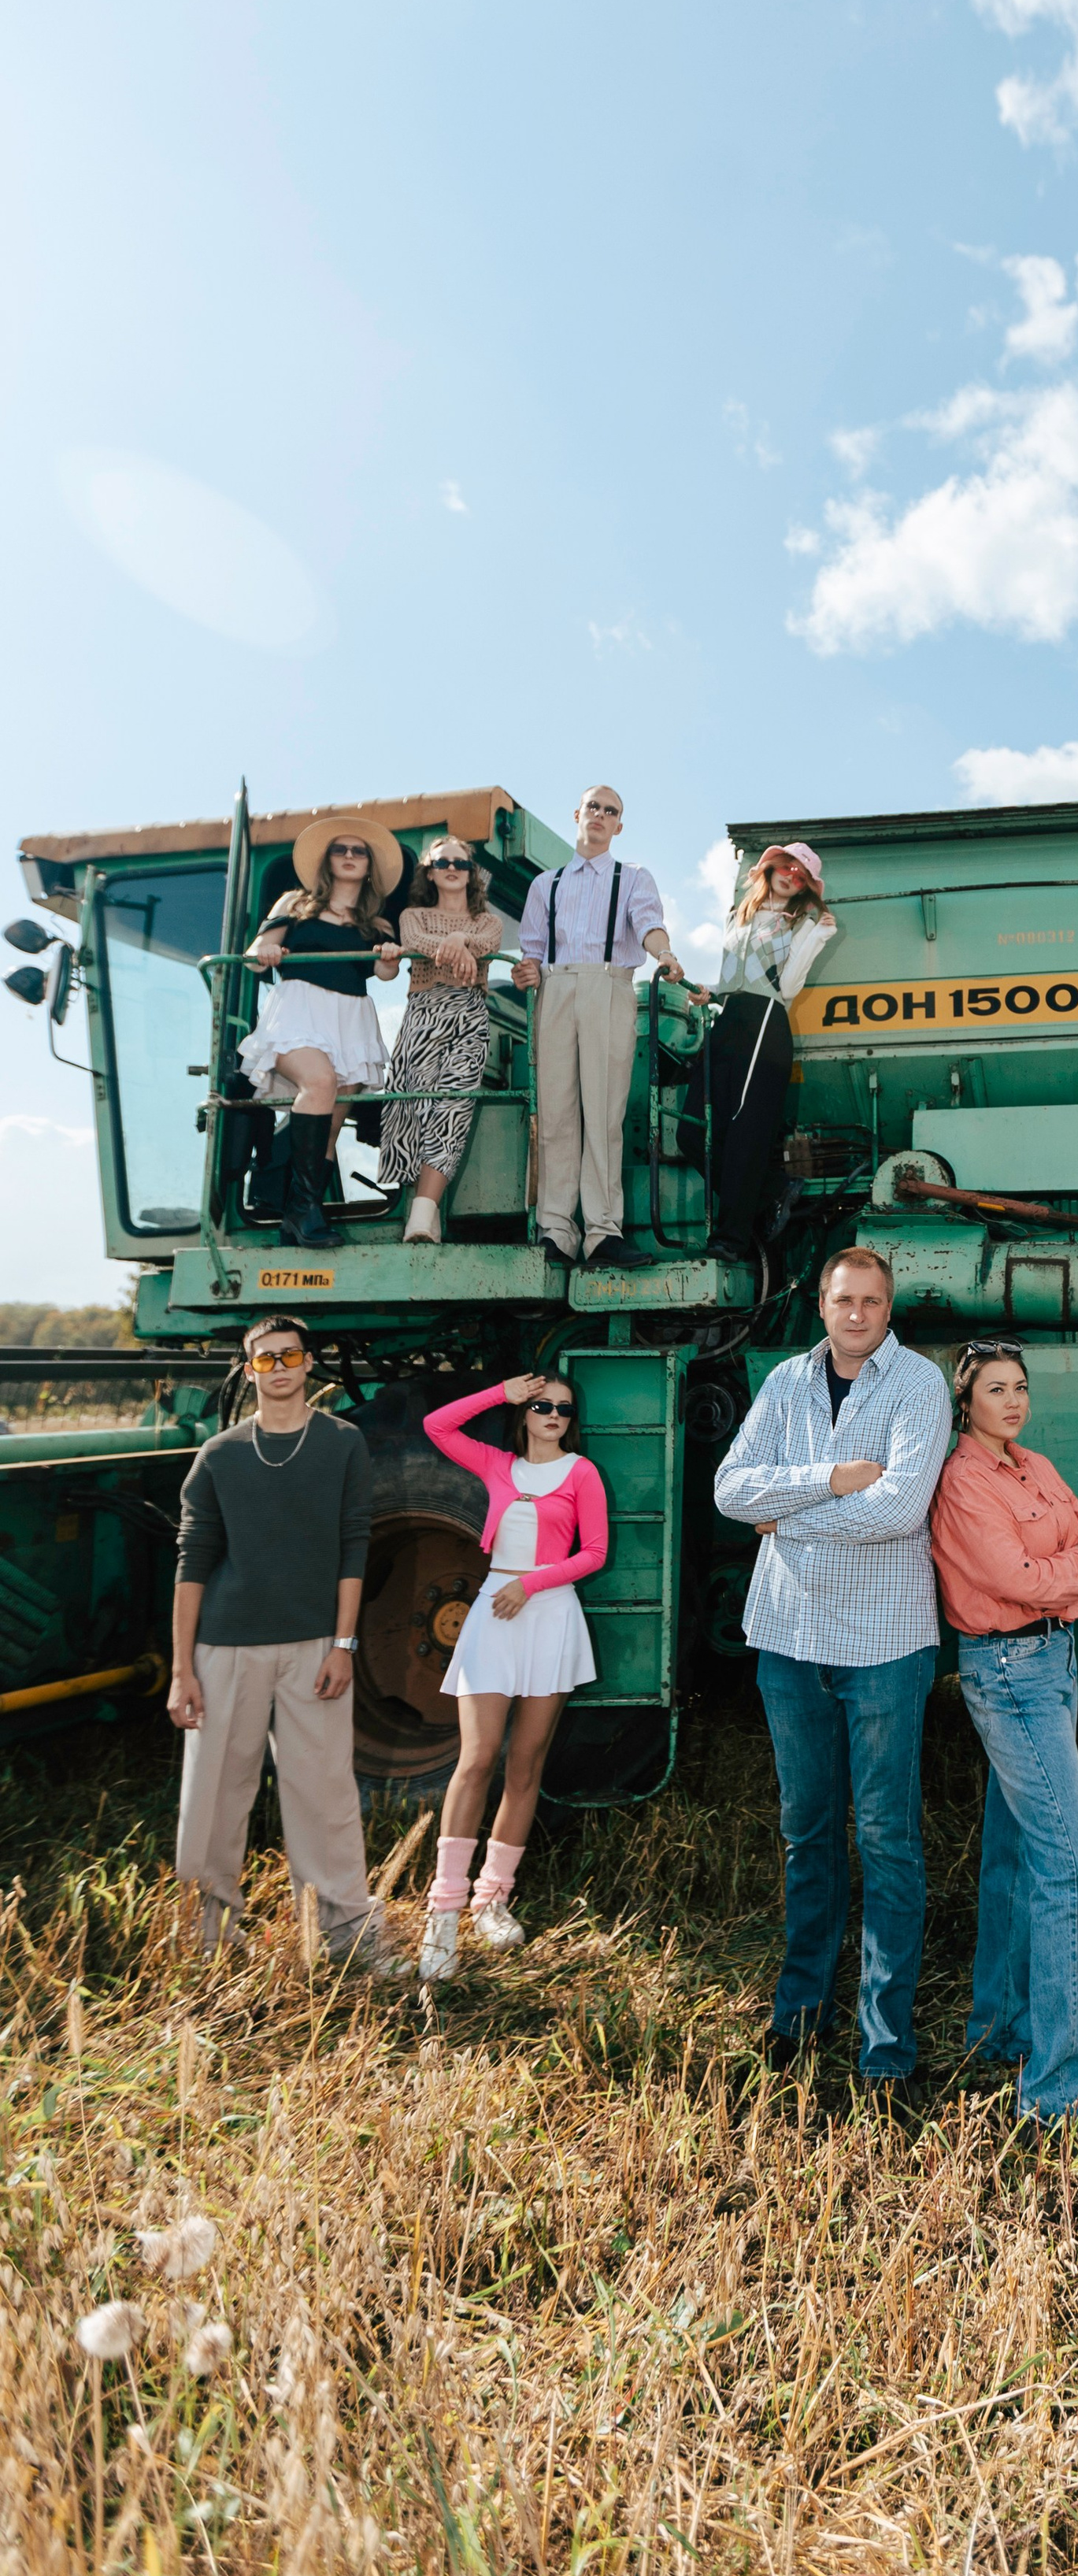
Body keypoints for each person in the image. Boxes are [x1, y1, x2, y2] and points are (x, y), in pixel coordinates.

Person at [713, 1247, 954, 2094]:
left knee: (888, 1840)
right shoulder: (783, 1383)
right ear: (821, 1303)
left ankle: (885, 2048)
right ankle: (798, 2015)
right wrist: (825, 1480)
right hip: (787, 1636)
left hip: (884, 1645)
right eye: (844, 1299)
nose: (858, 1313)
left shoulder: (921, 1385)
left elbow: (900, 1509)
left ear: (891, 1310)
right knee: (807, 1833)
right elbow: (729, 1490)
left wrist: (788, 1517)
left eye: (874, 1301)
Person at [166, 1318, 406, 1977]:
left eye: (290, 1355)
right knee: (212, 1797)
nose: (278, 1366)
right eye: (264, 1358)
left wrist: (343, 1642)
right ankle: (206, 1944)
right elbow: (193, 1562)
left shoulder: (342, 1443)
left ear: (309, 1364)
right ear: (249, 1370)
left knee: (325, 1793)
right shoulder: (218, 1455)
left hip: (315, 1647)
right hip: (225, 1647)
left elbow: (354, 1542)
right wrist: (182, 1668)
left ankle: (348, 1938)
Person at [930, 1340, 1078, 2124]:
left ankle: (998, 2032)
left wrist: (1061, 1578)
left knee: (1016, 1854)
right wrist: (1064, 1577)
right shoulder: (965, 1480)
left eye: (1020, 1387)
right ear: (965, 1401)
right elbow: (1017, 1579)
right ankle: (1058, 2089)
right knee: (1069, 1871)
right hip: (1009, 1672)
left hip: (1053, 1661)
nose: (1012, 1400)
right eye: (995, 1388)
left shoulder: (1033, 1466)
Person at [414, 1370, 607, 1982]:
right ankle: (442, 1914)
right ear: (527, 1410)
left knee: (525, 1764)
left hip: (546, 1612)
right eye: (542, 1403)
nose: (553, 1414)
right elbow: (436, 1425)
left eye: (563, 1408)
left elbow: (594, 1552)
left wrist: (532, 1583)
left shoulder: (582, 1473)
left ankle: (491, 1900)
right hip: (494, 1616)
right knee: (476, 1758)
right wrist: (502, 1390)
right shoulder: (497, 1463)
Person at [510, 785, 683, 1272]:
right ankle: (557, 1231)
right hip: (556, 989)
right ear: (578, 815)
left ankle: (603, 1231)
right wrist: (526, 971)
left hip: (609, 986)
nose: (601, 816)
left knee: (603, 1112)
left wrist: (664, 954)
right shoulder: (547, 884)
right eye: (594, 808)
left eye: (612, 812)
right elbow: (532, 951)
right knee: (557, 1112)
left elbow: (648, 923)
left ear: (619, 826)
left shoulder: (633, 878)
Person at [239, 814, 403, 1247]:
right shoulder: (294, 904)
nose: (349, 857)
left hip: (348, 1019)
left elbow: (385, 973)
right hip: (299, 1011)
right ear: (327, 861)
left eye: (359, 851)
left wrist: (389, 955)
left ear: (369, 865)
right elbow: (255, 957)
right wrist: (269, 950)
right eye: (340, 850)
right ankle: (301, 1211)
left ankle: (300, 1217)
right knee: (318, 1081)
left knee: (331, 1125)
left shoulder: (377, 923)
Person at [683, 841, 836, 1263]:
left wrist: (816, 935)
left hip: (766, 1021)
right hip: (727, 1017)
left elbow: (786, 989)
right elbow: (732, 976)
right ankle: (771, 1192)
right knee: (691, 1132)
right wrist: (708, 992)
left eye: (801, 875)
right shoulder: (737, 914)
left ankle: (730, 1239)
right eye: (786, 866)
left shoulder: (802, 922)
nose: (791, 875)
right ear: (770, 867)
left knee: (742, 1135)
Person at [380, 837, 506, 1244]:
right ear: (430, 872)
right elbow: (415, 942)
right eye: (443, 861)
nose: (452, 868)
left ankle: (420, 1215)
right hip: (423, 1014)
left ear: (472, 874)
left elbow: (487, 944)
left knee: (453, 1109)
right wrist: (457, 944)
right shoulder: (412, 915)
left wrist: (459, 941)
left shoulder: (489, 922)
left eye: (461, 863)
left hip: (469, 1015)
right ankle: (424, 1211)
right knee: (415, 1109)